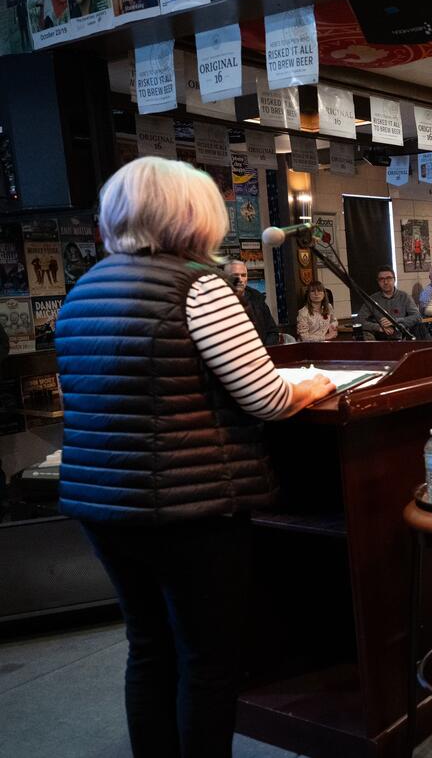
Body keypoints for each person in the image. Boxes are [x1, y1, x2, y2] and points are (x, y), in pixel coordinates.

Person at [55, 157, 336, 758]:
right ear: (192, 214)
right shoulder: (198, 287)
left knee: (148, 647)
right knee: (207, 661)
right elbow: (266, 397)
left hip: (102, 505)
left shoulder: (84, 289)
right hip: (192, 510)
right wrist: (314, 385)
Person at [358, 265, 430, 340]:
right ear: (378, 281)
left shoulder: (404, 297)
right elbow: (358, 320)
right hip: (380, 339)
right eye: (381, 279)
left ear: (394, 279)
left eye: (388, 278)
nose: (385, 282)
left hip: (402, 338)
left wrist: (395, 321)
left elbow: (417, 317)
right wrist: (378, 327)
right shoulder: (372, 299)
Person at [224, 260, 281, 345]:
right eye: (235, 275)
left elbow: (273, 332)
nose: (240, 279)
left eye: (243, 275)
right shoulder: (219, 302)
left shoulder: (257, 298)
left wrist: (263, 349)